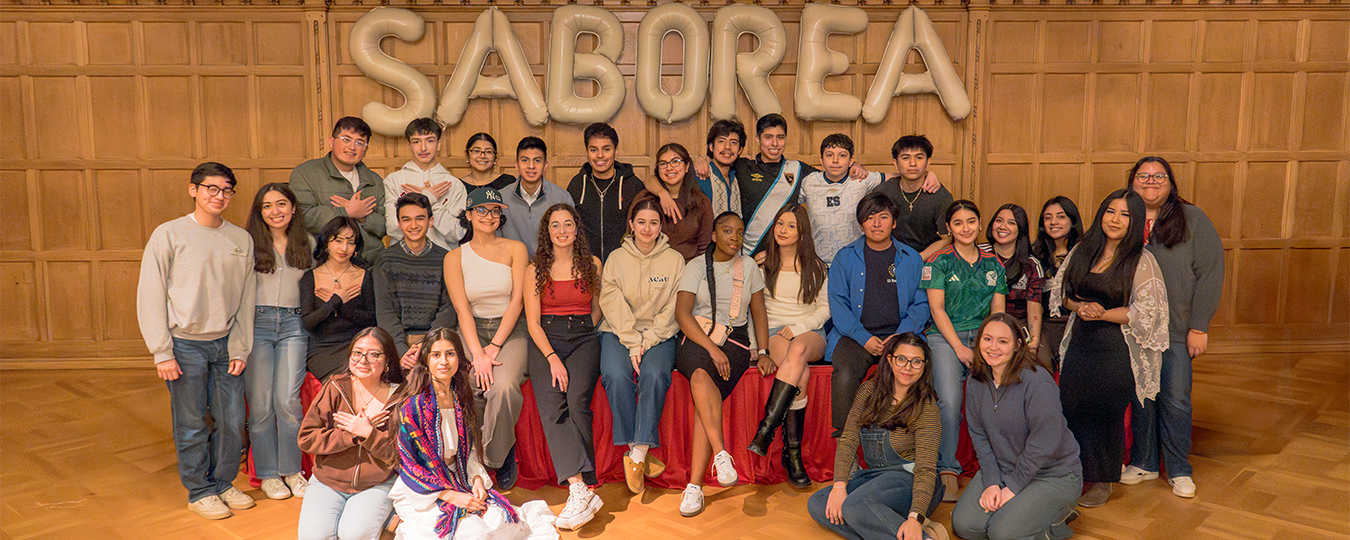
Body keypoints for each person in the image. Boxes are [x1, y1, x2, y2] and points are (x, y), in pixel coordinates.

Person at [137, 162, 257, 519]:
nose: (219, 196)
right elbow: (151, 293)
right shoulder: (168, 234)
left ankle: (222, 482)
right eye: (211, 188)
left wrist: (240, 346)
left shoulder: (240, 239)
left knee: (233, 420)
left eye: (226, 190)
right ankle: (199, 490)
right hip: (184, 345)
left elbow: (247, 298)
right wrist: (162, 351)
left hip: (225, 345)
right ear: (194, 190)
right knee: (190, 423)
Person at [1048, 189, 1168, 508]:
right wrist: (1081, 307)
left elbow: (1147, 312)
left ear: (1136, 221)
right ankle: (1074, 474)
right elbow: (1063, 292)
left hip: (1116, 347)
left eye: (1125, 214)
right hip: (1080, 342)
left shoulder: (1141, 260)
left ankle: (1104, 480)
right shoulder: (1083, 251)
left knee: (1106, 412)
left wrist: (1103, 313)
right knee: (1072, 406)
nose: (1115, 220)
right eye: (1111, 212)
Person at [1120, 157, 1224, 499]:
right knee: (1142, 398)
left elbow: (1210, 273)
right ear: (1133, 182)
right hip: (1135, 329)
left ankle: (1179, 469)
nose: (1151, 181)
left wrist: (1199, 325)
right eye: (1143, 176)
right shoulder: (1125, 217)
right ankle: (1145, 463)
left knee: (1176, 399)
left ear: (1170, 182)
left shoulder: (1192, 219)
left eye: (1158, 176)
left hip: (1178, 329)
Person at [389, 328, 533, 540]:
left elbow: (469, 449)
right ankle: (406, 521)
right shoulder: (413, 406)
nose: (443, 361)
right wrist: (450, 495)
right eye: (436, 355)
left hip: (458, 475)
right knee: (475, 534)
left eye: (450, 353)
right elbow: (410, 463)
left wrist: (476, 479)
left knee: (503, 523)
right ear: (426, 360)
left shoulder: (460, 397)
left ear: (459, 357)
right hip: (424, 487)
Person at [688, 114, 896, 257]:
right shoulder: (742, 166)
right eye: (768, 138)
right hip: (744, 252)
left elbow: (833, 173)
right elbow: (718, 160)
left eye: (780, 137)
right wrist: (699, 159)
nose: (774, 143)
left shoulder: (799, 170)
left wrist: (853, 166)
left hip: (783, 254)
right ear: (757, 140)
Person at [673, 211, 771, 517]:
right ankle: (720, 454)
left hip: (736, 343)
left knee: (706, 399)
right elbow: (683, 314)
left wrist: (764, 349)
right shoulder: (696, 266)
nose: (734, 238)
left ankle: (695, 486)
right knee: (702, 376)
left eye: (740, 233)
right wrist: (711, 349)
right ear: (714, 235)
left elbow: (758, 311)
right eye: (727, 231)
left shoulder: (750, 267)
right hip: (696, 338)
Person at [952, 313, 1082, 540]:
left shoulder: (1038, 381)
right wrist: (992, 482)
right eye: (987, 339)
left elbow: (1043, 444)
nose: (993, 347)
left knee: (1001, 533)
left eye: (1003, 341)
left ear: (1017, 345)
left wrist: (1011, 488)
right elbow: (979, 437)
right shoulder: (975, 381)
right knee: (965, 526)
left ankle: (1056, 519)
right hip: (1003, 469)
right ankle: (1024, 516)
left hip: (1052, 474)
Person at [807, 333, 947, 540]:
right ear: (889, 360)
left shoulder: (926, 407)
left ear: (925, 366)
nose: (907, 367)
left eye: (916, 362)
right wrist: (838, 486)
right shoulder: (868, 391)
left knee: (854, 507)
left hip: (912, 480)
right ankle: (893, 528)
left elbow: (926, 469)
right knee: (819, 503)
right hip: (874, 478)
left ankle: (916, 534)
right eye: (901, 359)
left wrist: (915, 516)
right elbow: (848, 439)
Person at [523, 204, 605, 529]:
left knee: (577, 403)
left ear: (576, 228)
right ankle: (579, 488)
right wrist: (552, 357)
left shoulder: (592, 264)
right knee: (552, 408)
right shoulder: (535, 270)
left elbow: (597, 310)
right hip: (546, 339)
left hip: (584, 338)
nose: (561, 231)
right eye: (555, 225)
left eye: (567, 224)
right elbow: (531, 322)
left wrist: (584, 331)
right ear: (547, 231)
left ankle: (582, 489)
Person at [444, 187, 531, 490]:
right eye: (481, 210)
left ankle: (495, 456)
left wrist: (494, 346)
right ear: (468, 215)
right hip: (471, 330)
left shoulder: (516, 249)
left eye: (495, 211)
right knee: (469, 383)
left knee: (504, 386)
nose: (489, 216)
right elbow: (462, 310)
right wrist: (477, 354)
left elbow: (517, 301)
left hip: (511, 329)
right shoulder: (454, 257)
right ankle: (473, 457)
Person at [597, 197, 685, 495]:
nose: (647, 228)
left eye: (654, 222)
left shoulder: (674, 260)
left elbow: (675, 307)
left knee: (656, 374)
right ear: (631, 225)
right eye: (641, 222)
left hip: (660, 333)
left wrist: (647, 341)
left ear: (662, 226)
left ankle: (638, 453)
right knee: (615, 374)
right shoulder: (616, 258)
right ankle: (639, 450)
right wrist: (633, 342)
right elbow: (611, 302)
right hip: (618, 331)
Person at [921, 199, 1008, 500]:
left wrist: (989, 345)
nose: (965, 228)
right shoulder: (939, 261)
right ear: (949, 228)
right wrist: (959, 347)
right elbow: (937, 308)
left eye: (971, 221)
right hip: (945, 338)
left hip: (986, 338)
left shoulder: (993, 263)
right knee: (949, 399)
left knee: (999, 397)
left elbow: (998, 313)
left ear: (980, 224)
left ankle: (1003, 468)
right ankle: (947, 469)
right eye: (958, 223)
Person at [828, 193, 930, 438]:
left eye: (883, 217)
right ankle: (847, 442)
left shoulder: (911, 258)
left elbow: (922, 303)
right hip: (856, 336)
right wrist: (864, 338)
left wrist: (900, 336)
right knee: (845, 373)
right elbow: (838, 305)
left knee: (919, 367)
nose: (876, 224)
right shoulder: (844, 257)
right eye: (870, 218)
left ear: (894, 222)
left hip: (901, 334)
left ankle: (907, 439)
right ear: (861, 223)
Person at [746, 204, 830, 488]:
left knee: (798, 351)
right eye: (780, 223)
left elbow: (825, 309)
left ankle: (766, 431)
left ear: (802, 232)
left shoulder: (816, 266)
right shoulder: (759, 263)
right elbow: (752, 309)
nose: (783, 230)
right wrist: (757, 347)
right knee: (800, 372)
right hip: (773, 333)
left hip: (809, 332)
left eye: (791, 225)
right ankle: (792, 455)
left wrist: (799, 328)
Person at [296, 327, 404, 540]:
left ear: (388, 361)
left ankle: (391, 512)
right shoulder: (335, 387)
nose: (363, 360)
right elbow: (307, 439)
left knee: (354, 535)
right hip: (328, 481)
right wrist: (351, 436)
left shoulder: (401, 398)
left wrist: (369, 435)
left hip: (376, 483)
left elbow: (402, 457)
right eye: (357, 352)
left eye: (373, 354)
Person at [244, 183, 313, 500]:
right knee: (260, 405)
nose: (275, 211)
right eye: (267, 206)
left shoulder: (308, 242)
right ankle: (269, 474)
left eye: (282, 203)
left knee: (287, 402)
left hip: (293, 324)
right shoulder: (247, 243)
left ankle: (291, 470)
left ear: (294, 207)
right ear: (260, 212)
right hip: (256, 324)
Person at [290, 116, 386, 262]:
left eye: (359, 143)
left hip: (370, 261)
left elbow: (385, 225)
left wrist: (363, 216)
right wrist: (347, 212)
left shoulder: (375, 180)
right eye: (346, 139)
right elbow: (303, 217)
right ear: (331, 141)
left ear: (365, 149)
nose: (352, 147)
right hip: (322, 260)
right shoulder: (305, 173)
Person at [375, 193, 456, 363]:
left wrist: (428, 345)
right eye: (406, 220)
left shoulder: (446, 258)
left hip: (436, 342)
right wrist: (401, 350)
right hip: (398, 343)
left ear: (430, 221)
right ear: (398, 224)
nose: (413, 225)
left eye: (420, 218)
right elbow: (385, 312)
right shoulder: (385, 260)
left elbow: (448, 309)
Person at [566, 123, 664, 260]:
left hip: (624, 265)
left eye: (606, 149)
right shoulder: (577, 184)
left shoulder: (633, 185)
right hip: (586, 266)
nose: (600, 155)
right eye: (593, 150)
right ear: (587, 152)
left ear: (616, 151)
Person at [301, 217, 378, 381]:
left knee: (362, 372)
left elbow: (371, 319)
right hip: (321, 349)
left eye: (351, 242)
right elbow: (308, 322)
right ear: (326, 242)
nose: (344, 248)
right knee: (342, 380)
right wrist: (334, 302)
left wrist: (342, 305)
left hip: (355, 345)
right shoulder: (311, 276)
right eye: (338, 241)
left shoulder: (364, 275)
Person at [797, 133, 884, 265]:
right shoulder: (809, 182)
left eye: (842, 155)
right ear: (821, 160)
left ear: (851, 161)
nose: (835, 160)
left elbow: (896, 177)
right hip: (817, 261)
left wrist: (926, 176)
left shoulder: (861, 179)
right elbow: (786, 200)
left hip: (854, 260)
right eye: (829, 155)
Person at [382, 118, 467, 251]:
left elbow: (457, 233)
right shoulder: (393, 180)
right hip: (403, 260)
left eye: (430, 141)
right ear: (409, 145)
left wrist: (432, 202)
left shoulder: (454, 184)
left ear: (438, 145)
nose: (423, 148)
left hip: (442, 260)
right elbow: (392, 228)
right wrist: (422, 201)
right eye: (416, 142)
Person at [874, 135, 953, 260]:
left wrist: (916, 259)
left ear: (928, 161)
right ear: (895, 163)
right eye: (905, 158)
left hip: (928, 259)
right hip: (890, 256)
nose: (913, 163)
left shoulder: (940, 195)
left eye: (919, 157)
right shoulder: (884, 191)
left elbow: (947, 238)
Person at [632, 143, 713, 261]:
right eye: (663, 164)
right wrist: (662, 194)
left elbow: (704, 246)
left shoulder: (701, 201)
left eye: (676, 162)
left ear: (686, 167)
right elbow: (632, 237)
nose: (669, 168)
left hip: (689, 269)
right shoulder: (645, 198)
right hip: (650, 268)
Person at [499, 136, 575, 258]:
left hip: (552, 269)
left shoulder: (561, 198)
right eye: (525, 160)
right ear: (516, 165)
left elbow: (570, 240)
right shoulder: (502, 198)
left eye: (537, 161)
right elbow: (496, 242)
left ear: (545, 165)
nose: (531, 166)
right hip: (512, 268)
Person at [1032, 196, 1084, 372]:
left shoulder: (1085, 253)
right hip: (1044, 326)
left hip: (1077, 324)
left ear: (1072, 220)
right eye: (1048, 218)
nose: (1053, 222)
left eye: (1060, 217)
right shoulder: (1034, 254)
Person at [985, 204, 1045, 354]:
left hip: (1019, 324)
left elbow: (1034, 306)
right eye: (999, 220)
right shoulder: (979, 255)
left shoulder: (1031, 264)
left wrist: (1034, 341)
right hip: (982, 322)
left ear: (1021, 229)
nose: (1003, 227)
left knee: (1040, 365)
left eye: (1011, 223)